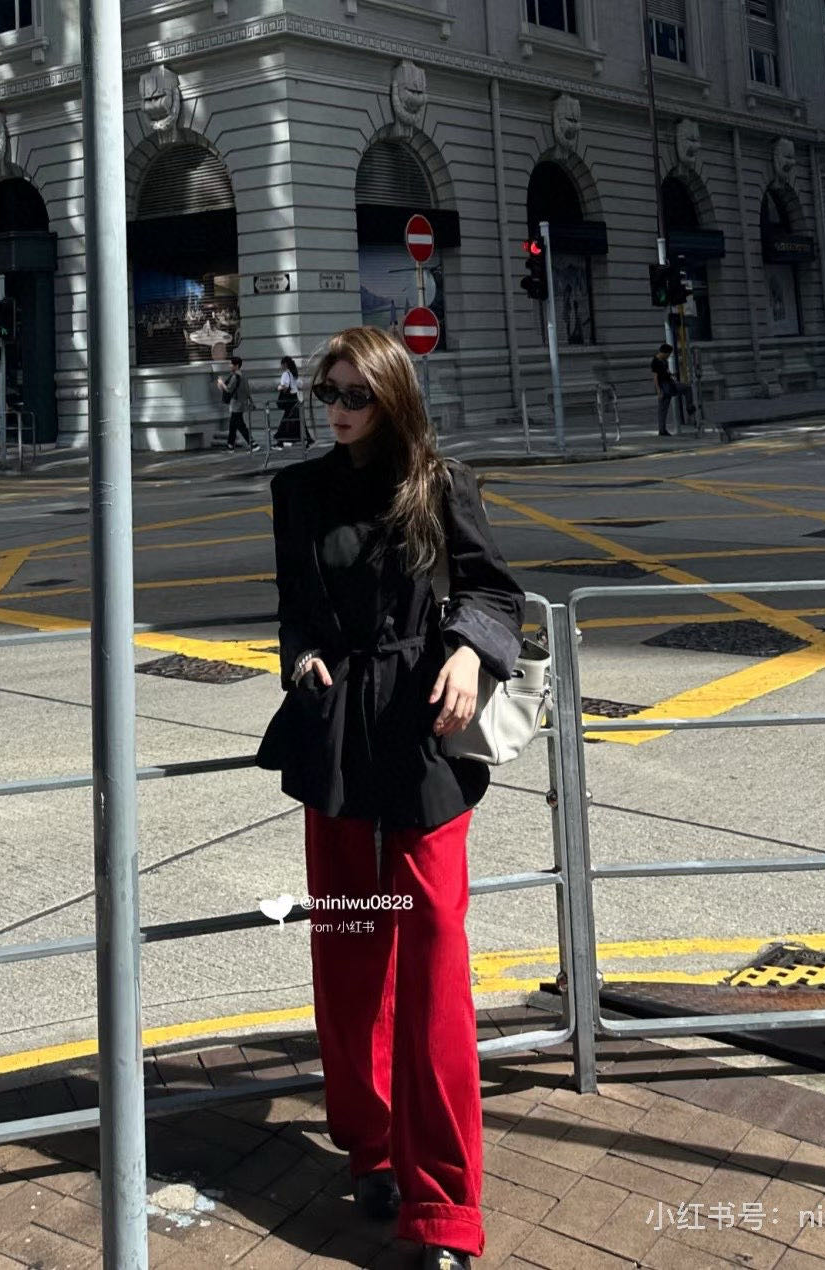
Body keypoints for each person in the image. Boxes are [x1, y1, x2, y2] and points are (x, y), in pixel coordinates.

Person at [256, 325, 526, 1269]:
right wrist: (302, 656)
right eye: (327, 392)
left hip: (421, 737)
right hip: (335, 736)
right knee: (347, 946)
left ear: (393, 396)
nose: (336, 409)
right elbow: (295, 612)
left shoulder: (440, 484)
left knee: (436, 960)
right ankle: (369, 1144)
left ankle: (444, 1205)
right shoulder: (297, 492)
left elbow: (496, 593)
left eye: (355, 394)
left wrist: (470, 652)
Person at [216, 354, 254, 450]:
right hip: (241, 403)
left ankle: (253, 444)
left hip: (236, 404)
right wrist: (251, 401)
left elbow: (229, 389)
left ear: (236, 365)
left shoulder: (235, 376)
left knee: (240, 425)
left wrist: (221, 383)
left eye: (231, 364)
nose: (230, 366)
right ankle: (230, 445)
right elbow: (247, 391)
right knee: (233, 425)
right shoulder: (243, 376)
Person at [273, 354, 311, 448]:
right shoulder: (293, 373)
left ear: (285, 364)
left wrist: (278, 387)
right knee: (298, 421)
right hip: (295, 399)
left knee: (286, 421)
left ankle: (280, 443)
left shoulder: (286, 374)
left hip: (289, 400)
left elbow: (285, 386)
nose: (281, 366)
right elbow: (299, 384)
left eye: (282, 364)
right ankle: (308, 439)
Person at [650, 342, 682, 436]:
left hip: (668, 386)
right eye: (668, 354)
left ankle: (662, 430)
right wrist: (658, 391)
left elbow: (667, 373)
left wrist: (673, 377)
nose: (669, 356)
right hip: (662, 387)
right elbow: (655, 377)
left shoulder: (664, 361)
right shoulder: (655, 361)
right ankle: (662, 430)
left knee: (664, 409)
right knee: (662, 409)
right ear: (664, 352)